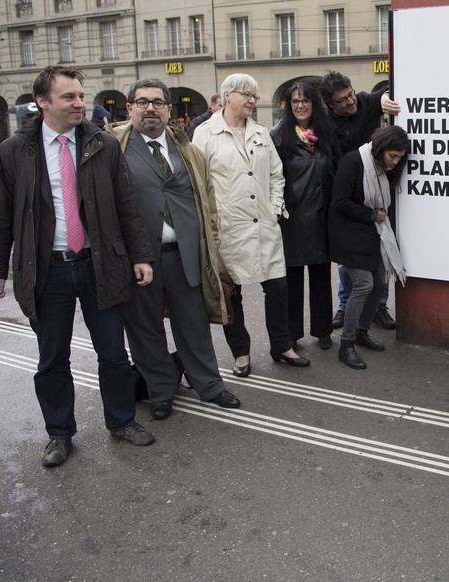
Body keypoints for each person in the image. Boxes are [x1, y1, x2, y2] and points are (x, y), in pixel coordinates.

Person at [0, 66, 156, 468]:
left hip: (99, 264)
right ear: (43, 102)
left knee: (113, 353)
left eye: (81, 96)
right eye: (70, 97)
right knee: (52, 358)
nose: (81, 103)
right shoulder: (15, 150)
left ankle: (122, 420)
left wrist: (141, 256)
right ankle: (59, 434)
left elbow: (127, 206)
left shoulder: (103, 144)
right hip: (48, 270)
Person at [113, 78, 241, 421]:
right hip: (140, 259)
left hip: (185, 255)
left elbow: (208, 203)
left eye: (157, 102)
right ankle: (160, 390)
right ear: (130, 109)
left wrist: (212, 246)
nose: (150, 108)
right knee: (145, 328)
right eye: (142, 102)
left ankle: (210, 385)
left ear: (170, 109)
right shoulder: (115, 148)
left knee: (194, 324)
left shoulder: (188, 150)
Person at [192, 73, 309, 374]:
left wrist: (273, 208)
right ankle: (240, 353)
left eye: (254, 96)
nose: (252, 101)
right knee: (232, 294)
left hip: (265, 225)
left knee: (278, 288)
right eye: (246, 94)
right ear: (227, 95)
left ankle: (282, 346)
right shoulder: (205, 134)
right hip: (228, 228)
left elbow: (276, 175)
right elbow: (197, 184)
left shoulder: (261, 133)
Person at [320, 70, 401, 332]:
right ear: (330, 105)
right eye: (342, 100)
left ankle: (379, 306)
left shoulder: (365, 101)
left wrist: (387, 97)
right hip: (346, 190)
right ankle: (345, 306)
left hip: (375, 187)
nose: (350, 101)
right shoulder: (324, 122)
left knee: (380, 251)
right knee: (349, 258)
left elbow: (385, 94)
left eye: (350, 94)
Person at [328, 126, 409, 369]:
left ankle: (362, 331)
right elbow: (340, 202)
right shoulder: (353, 162)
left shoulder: (382, 168)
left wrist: (375, 218)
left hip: (372, 233)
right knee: (364, 284)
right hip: (349, 233)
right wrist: (372, 214)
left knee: (381, 283)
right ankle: (347, 344)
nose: (396, 162)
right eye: (392, 156)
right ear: (380, 149)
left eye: (400, 158)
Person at [271, 83, 341, 351]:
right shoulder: (279, 135)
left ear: (314, 103)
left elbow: (335, 166)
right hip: (292, 217)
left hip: (322, 215)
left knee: (322, 277)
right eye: (295, 101)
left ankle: (323, 330)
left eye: (305, 101)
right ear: (289, 105)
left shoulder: (325, 132)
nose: (300, 106)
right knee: (292, 280)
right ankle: (292, 334)